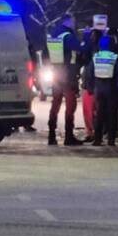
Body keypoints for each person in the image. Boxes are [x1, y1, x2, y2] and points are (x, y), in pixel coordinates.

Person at [46, 13, 86, 146]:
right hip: (68, 75)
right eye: (73, 21)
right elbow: (80, 48)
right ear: (67, 21)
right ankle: (69, 136)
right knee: (70, 105)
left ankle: (51, 136)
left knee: (55, 104)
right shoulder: (67, 36)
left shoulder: (54, 34)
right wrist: (86, 37)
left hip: (57, 73)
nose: (74, 24)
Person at [87, 27, 118, 146]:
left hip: (98, 89)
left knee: (99, 114)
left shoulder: (96, 57)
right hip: (112, 89)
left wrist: (90, 87)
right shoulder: (114, 57)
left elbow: (89, 73)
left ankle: (97, 139)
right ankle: (111, 140)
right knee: (112, 114)